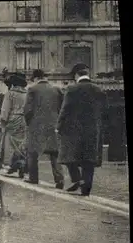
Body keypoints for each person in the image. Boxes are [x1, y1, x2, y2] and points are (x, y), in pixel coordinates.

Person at [57, 63, 105, 196]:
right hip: (92, 130)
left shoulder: (71, 89)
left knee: (68, 156)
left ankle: (77, 179)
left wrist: (59, 126)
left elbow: (64, 110)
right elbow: (104, 110)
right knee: (88, 160)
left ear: (76, 76)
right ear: (87, 75)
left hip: (74, 130)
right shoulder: (98, 89)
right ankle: (86, 189)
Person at [24, 69, 65, 189]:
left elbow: (27, 110)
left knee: (32, 152)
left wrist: (29, 123)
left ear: (35, 78)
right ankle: (59, 179)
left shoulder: (32, 89)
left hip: (36, 126)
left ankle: (33, 177)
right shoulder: (57, 89)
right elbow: (63, 108)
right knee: (55, 153)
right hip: (53, 126)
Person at [0, 72, 28, 177]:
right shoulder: (27, 93)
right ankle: (22, 165)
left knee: (9, 142)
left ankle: (8, 166)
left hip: (13, 119)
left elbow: (4, 111)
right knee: (21, 144)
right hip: (24, 120)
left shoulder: (10, 93)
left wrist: (3, 123)